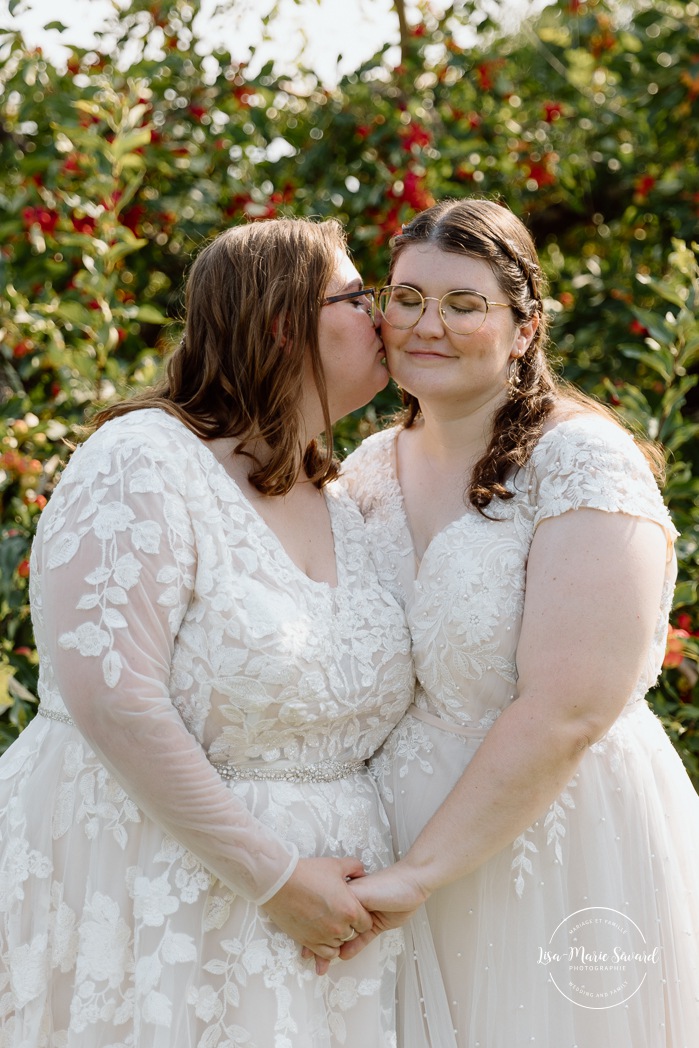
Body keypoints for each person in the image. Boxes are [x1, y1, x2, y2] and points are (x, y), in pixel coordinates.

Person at [0, 217, 415, 1047]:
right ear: (279, 321)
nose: (384, 317)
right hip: (154, 902)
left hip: (330, 949)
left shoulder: (346, 502)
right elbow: (111, 701)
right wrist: (274, 879)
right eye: (357, 295)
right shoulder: (143, 461)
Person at [340, 198, 699, 1047]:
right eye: (406, 298)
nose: (427, 325)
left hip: (557, 845)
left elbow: (568, 709)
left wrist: (417, 875)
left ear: (525, 326)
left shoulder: (580, 460)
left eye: (464, 305)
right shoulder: (362, 470)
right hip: (388, 847)